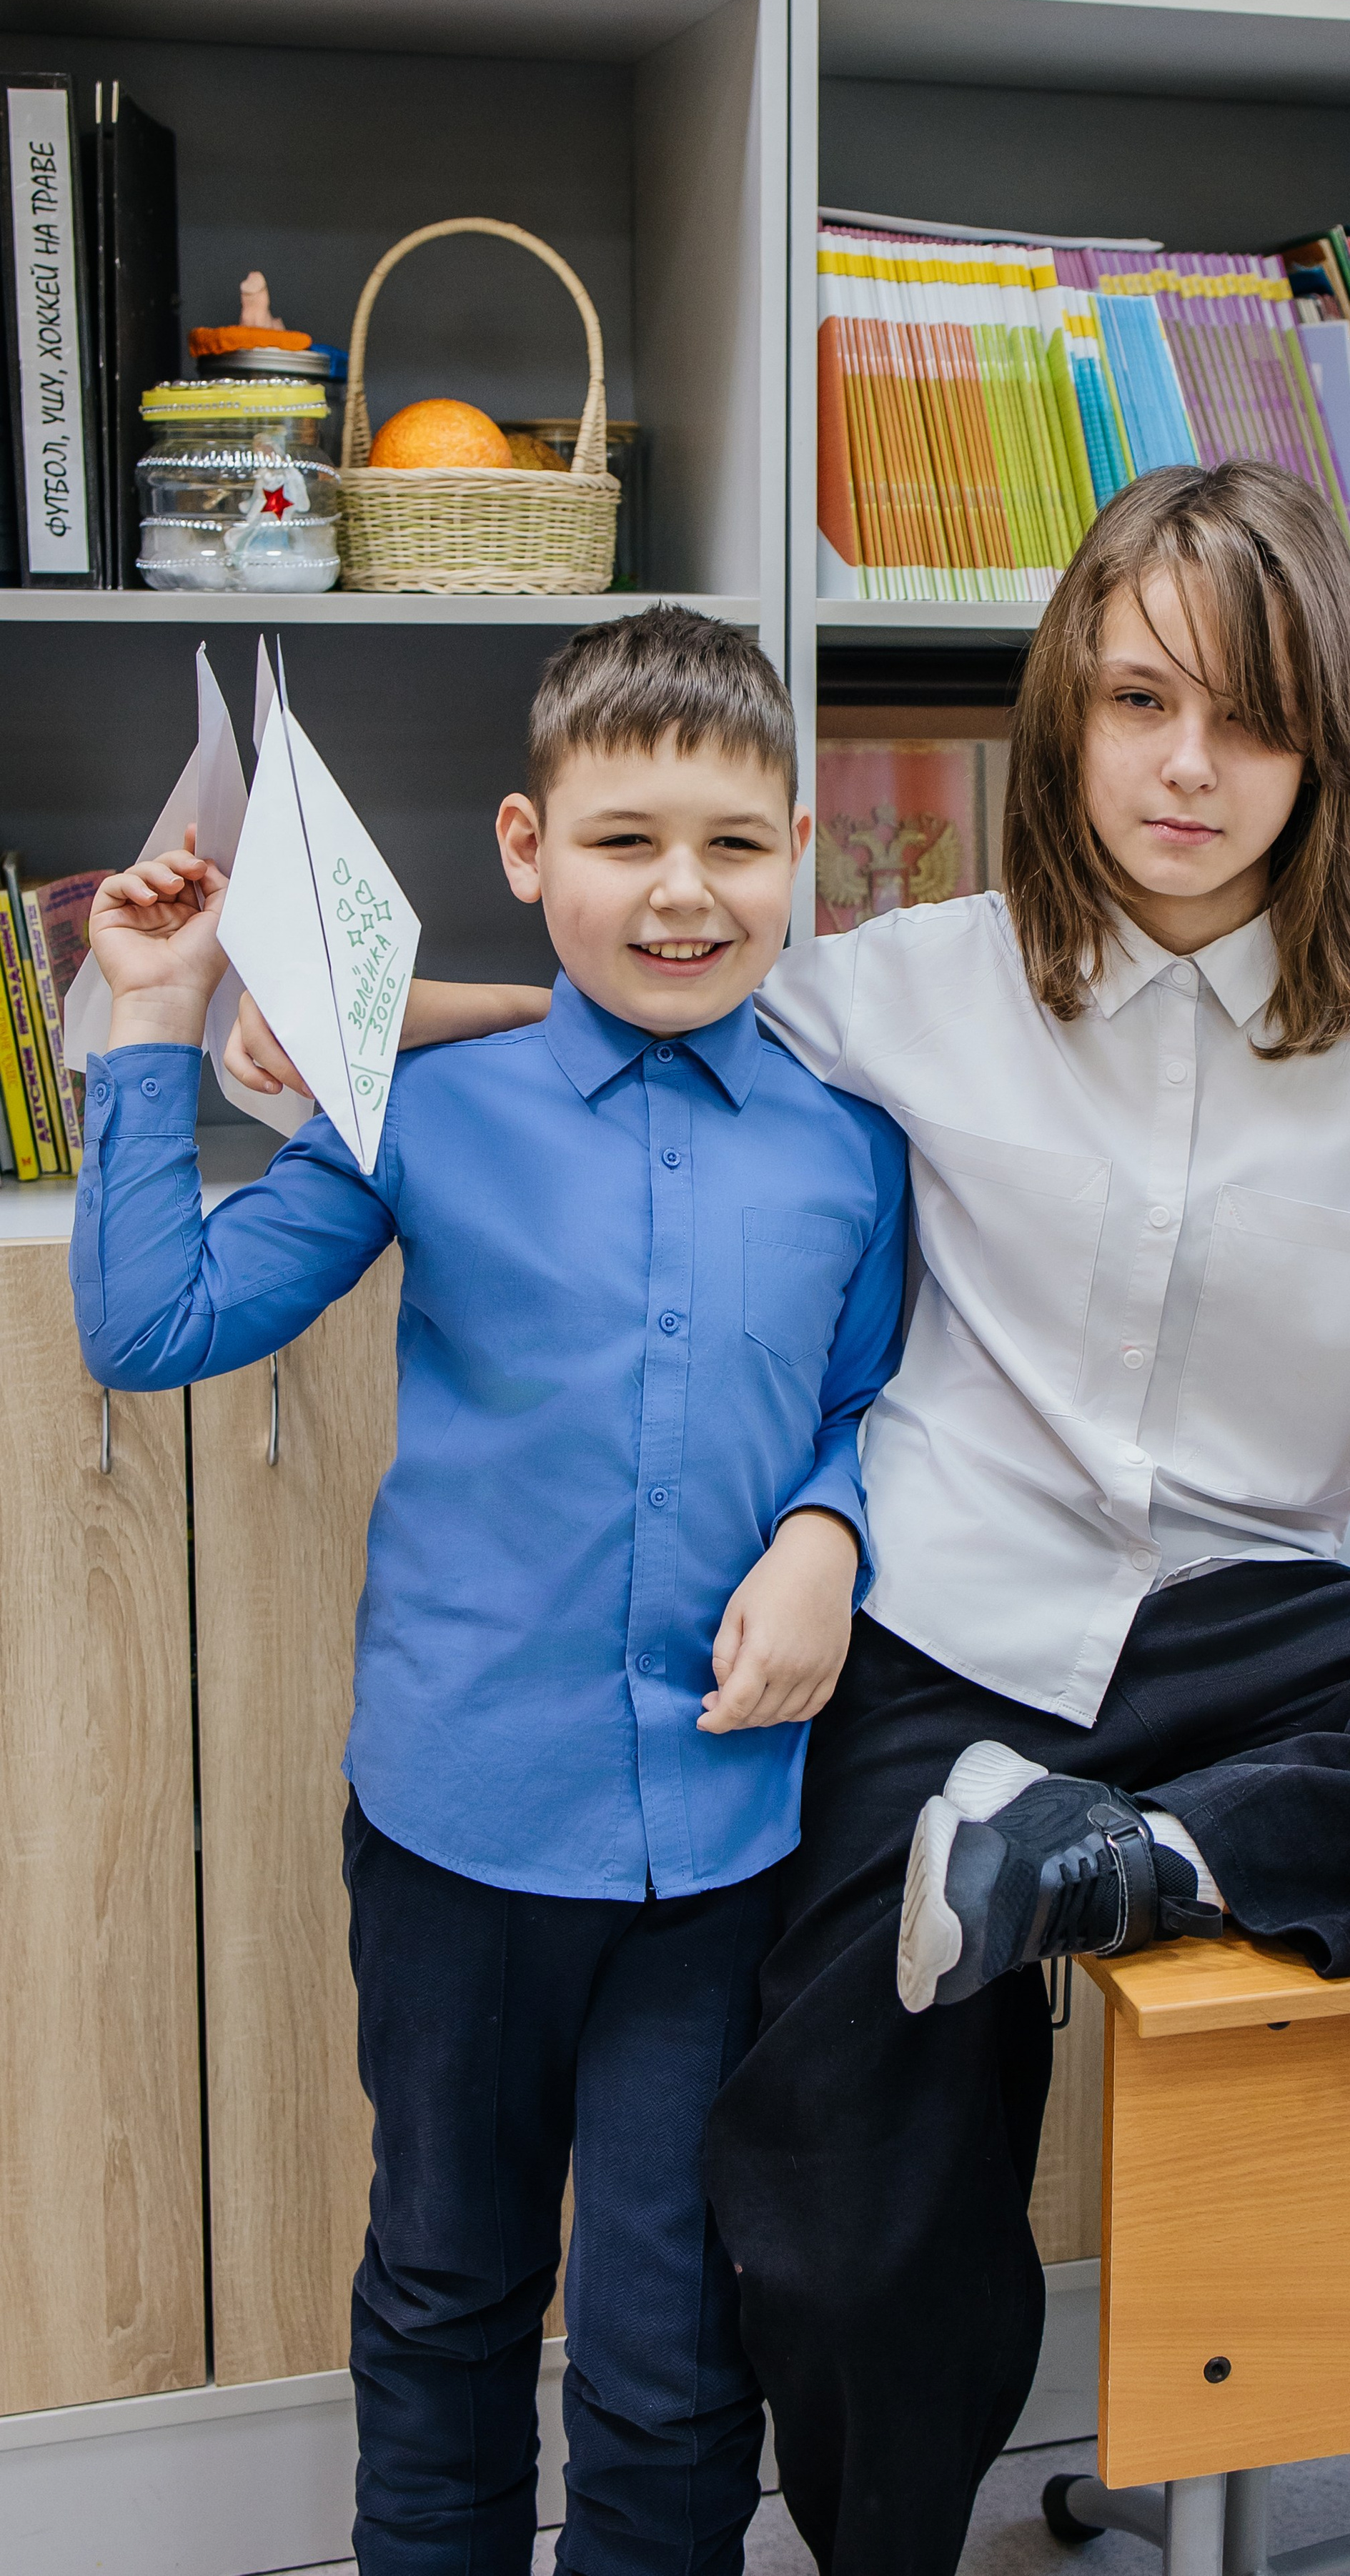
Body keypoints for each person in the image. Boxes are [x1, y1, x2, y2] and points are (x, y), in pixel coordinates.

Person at [229, 466, 1350, 2576]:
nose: (1187, 765)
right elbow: (638, 996)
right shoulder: (903, 982)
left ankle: (1150, 1860)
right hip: (946, 1644)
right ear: (1064, 710)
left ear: (1324, 743)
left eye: (1249, 717)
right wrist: (345, 1040)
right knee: (834, 2180)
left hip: (1243, 1638)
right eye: (1142, 697)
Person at [71, 607, 908, 2576]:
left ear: (800, 844)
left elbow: (872, 1404)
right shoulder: (417, 1109)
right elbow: (149, 1320)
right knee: (444, 2296)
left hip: (719, 1850)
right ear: (530, 850)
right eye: (625, 842)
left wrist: (830, 1528)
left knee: (672, 2343)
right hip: (454, 1834)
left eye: (730, 842)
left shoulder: (855, 1152)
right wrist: (152, 1018)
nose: (682, 892)